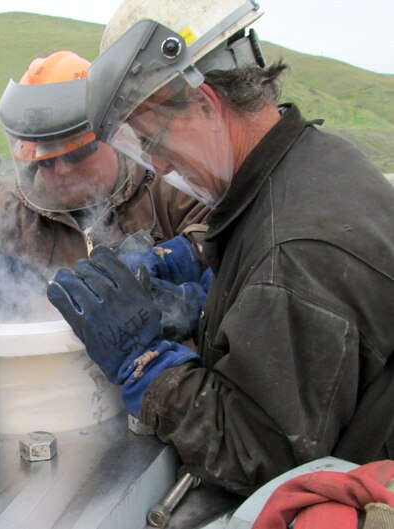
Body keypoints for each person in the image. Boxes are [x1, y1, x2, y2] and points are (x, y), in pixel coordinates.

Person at [47, 0, 394, 496]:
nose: (159, 165)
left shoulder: (293, 253)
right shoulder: (311, 162)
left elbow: (258, 456)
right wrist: (209, 283)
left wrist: (142, 360)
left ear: (206, 103)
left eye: (152, 141)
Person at [0, 50, 209, 328]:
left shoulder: (167, 191)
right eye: (45, 162)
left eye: (77, 154)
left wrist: (156, 269)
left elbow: (220, 240)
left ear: (111, 136)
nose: (62, 170)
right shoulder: (14, 214)